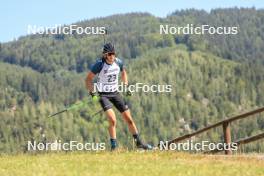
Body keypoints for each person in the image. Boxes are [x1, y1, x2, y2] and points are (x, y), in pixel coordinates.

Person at [85, 43, 152, 150]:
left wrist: (125, 86)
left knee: (129, 120)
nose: (112, 56)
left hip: (115, 93)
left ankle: (139, 143)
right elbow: (88, 79)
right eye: (110, 54)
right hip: (104, 95)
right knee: (112, 120)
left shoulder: (118, 62)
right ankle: (114, 147)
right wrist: (92, 93)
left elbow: (124, 73)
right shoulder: (99, 65)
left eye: (114, 54)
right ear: (105, 55)